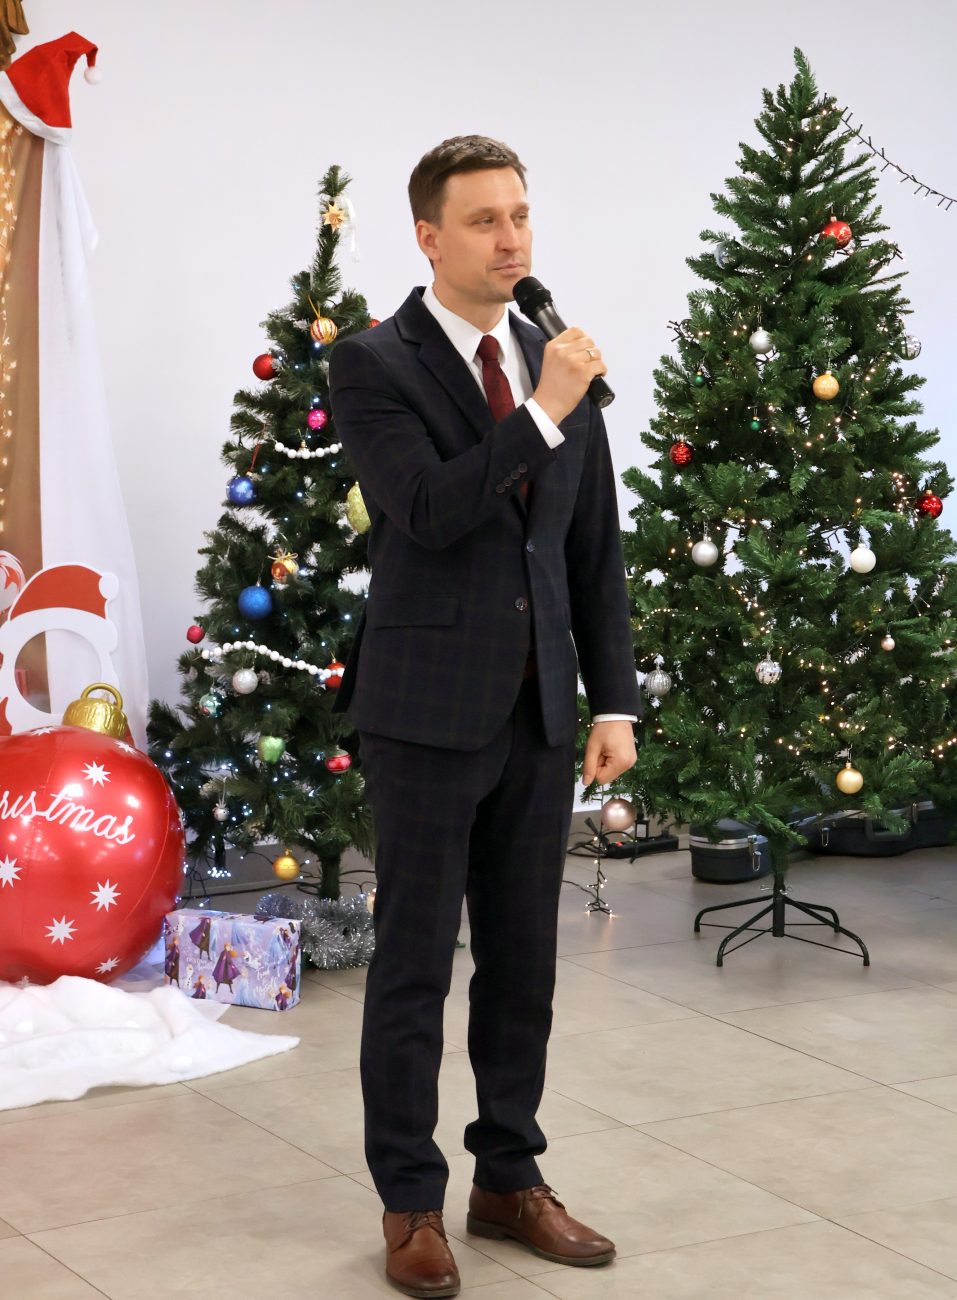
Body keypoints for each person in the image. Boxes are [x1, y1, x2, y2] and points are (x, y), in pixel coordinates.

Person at [329, 135, 639, 1299]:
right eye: (483, 220)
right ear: (429, 236)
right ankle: (410, 1199)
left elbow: (591, 547)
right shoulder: (375, 362)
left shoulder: (555, 356)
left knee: (524, 966)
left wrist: (614, 698)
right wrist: (545, 410)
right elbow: (424, 508)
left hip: (540, 711)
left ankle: (509, 1177)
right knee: (415, 967)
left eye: (520, 216)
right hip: (423, 711)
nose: (511, 239)